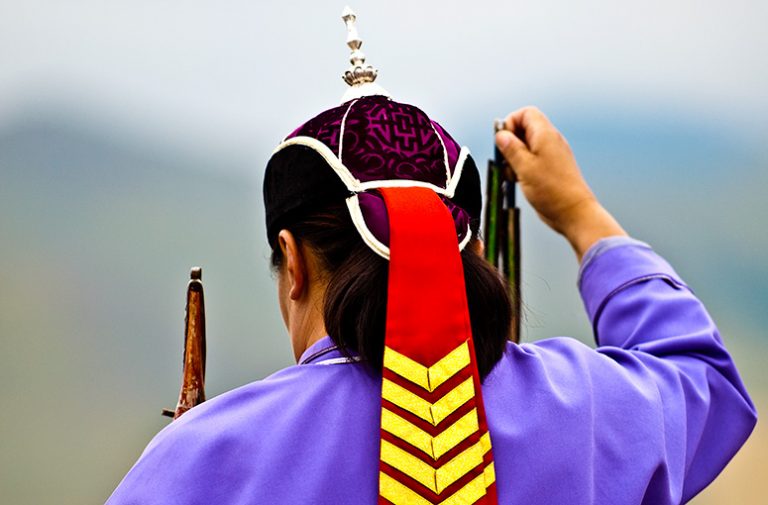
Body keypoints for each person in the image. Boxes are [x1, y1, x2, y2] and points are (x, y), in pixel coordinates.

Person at [106, 13, 756, 504]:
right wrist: (581, 213)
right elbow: (704, 380)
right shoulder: (586, 408)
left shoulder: (203, 458)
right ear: (461, 249)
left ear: (291, 260)